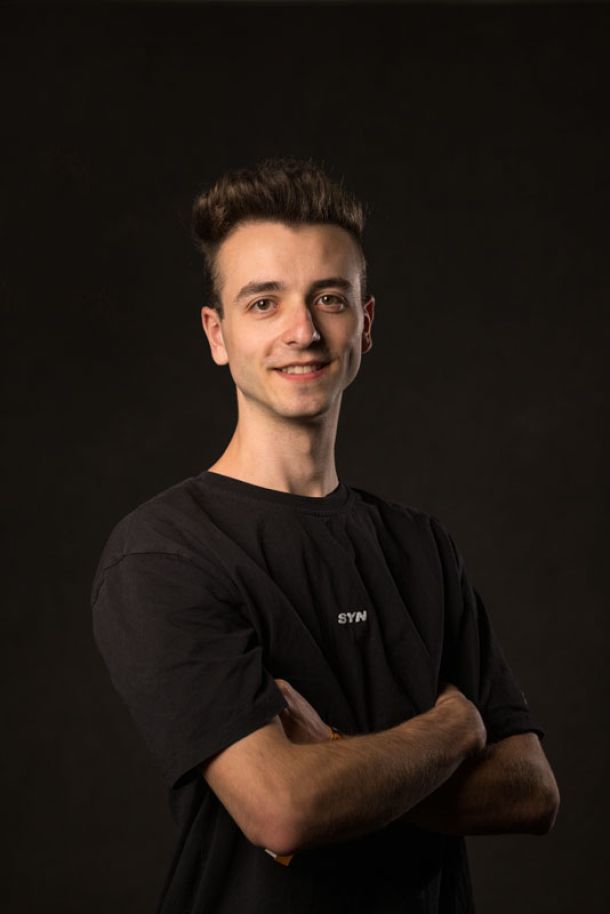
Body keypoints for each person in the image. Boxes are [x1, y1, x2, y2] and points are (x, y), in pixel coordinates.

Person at [91, 156, 560, 914]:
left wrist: (334, 763)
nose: (303, 332)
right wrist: (454, 726)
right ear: (217, 334)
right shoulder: (164, 553)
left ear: (364, 325)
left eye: (329, 299)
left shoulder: (422, 546)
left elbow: (531, 791)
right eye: (264, 302)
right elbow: (282, 809)